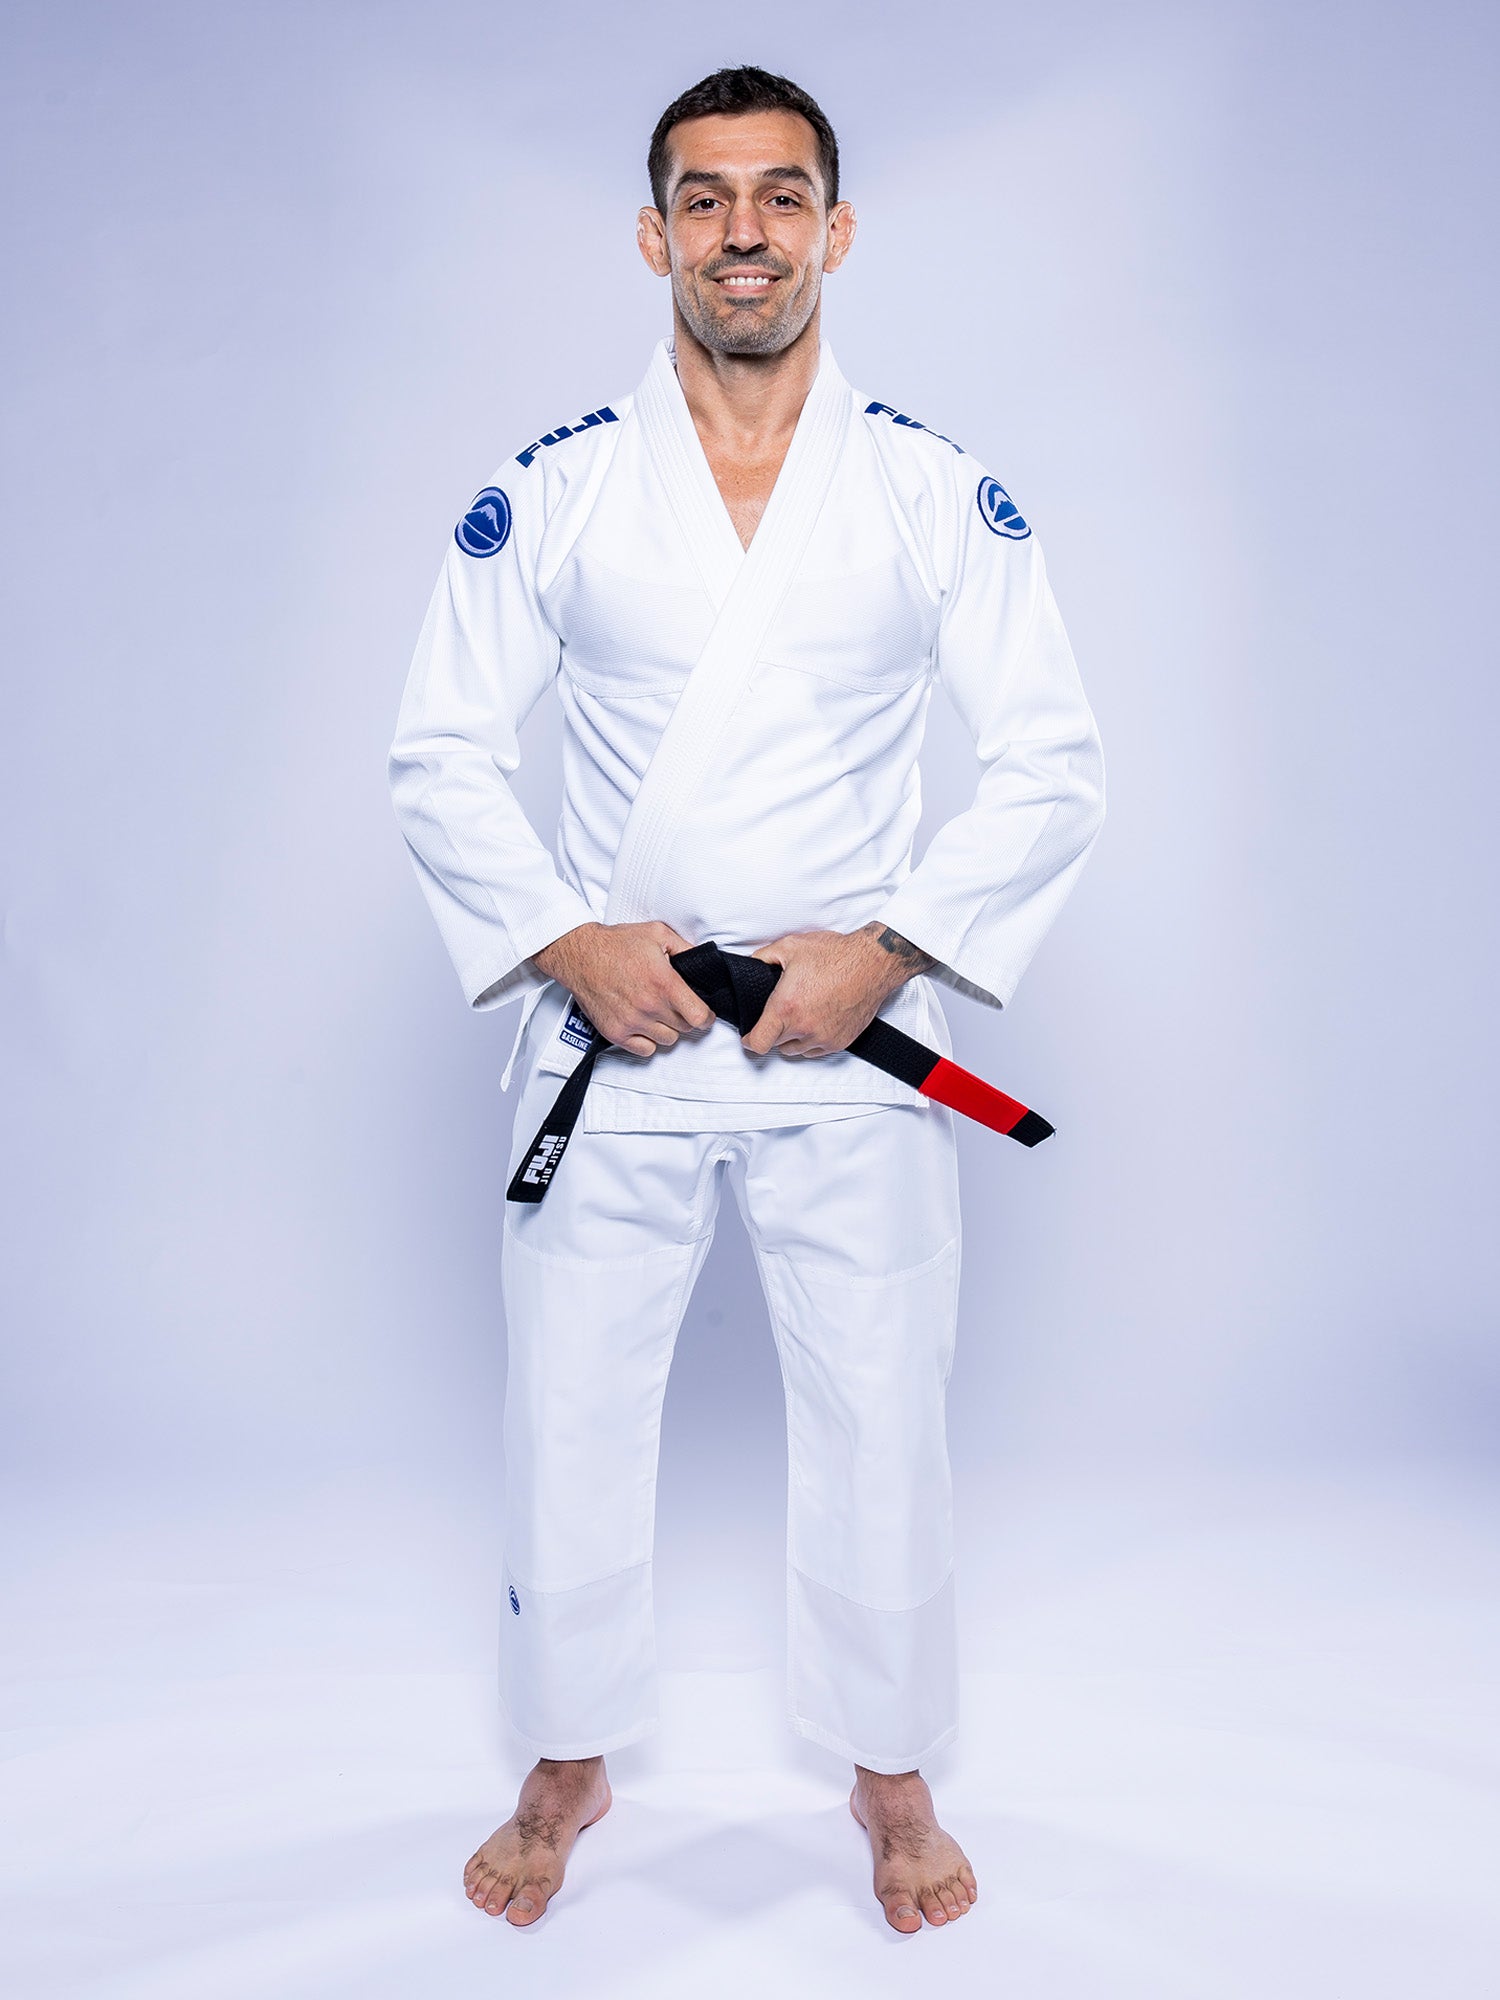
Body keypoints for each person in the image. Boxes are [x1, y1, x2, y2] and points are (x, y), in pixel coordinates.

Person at [387, 64, 1105, 1935]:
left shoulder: (936, 490)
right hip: (615, 1037)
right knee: (569, 1405)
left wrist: (889, 952)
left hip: (843, 1035)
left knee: (884, 1409)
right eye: (704, 200)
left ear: (837, 232)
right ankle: (565, 1754)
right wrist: (566, 939)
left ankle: (887, 1774)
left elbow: (1051, 762)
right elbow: (441, 755)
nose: (744, 235)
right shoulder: (550, 489)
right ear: (653, 235)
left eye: (781, 198)